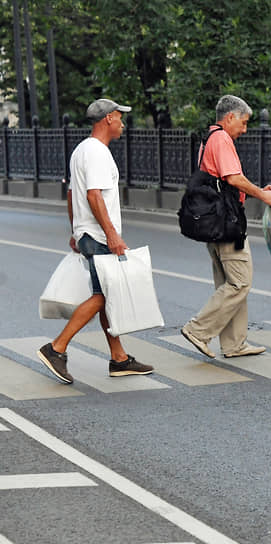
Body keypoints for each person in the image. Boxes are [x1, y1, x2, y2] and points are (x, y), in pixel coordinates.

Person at [37, 99, 154, 383]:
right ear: (109, 119)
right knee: (103, 296)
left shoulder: (81, 150)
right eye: (120, 118)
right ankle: (56, 348)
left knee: (108, 295)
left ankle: (119, 358)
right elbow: (93, 196)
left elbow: (70, 195)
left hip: (87, 233)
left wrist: (75, 230)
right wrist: (112, 235)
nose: (123, 123)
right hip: (100, 236)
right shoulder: (98, 153)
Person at [181, 95, 271, 358]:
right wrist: (264, 195)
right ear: (230, 118)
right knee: (240, 283)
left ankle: (234, 344)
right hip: (227, 222)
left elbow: (222, 183)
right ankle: (198, 330)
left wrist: (259, 190)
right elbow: (233, 178)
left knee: (228, 283)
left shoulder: (209, 138)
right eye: (244, 122)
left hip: (214, 221)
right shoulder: (223, 139)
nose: (245, 129)